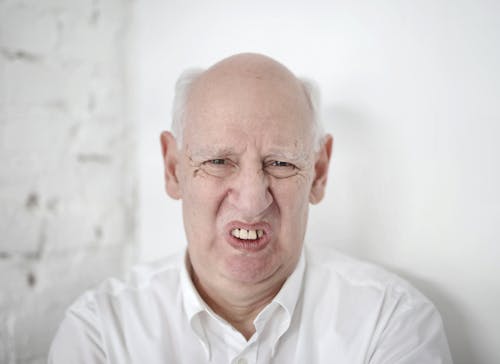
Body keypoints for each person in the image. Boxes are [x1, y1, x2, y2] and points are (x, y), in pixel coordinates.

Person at [49, 53, 453, 363]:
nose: (252, 199)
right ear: (174, 169)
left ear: (318, 173)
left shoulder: (391, 323)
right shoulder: (101, 333)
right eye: (218, 161)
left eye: (280, 163)